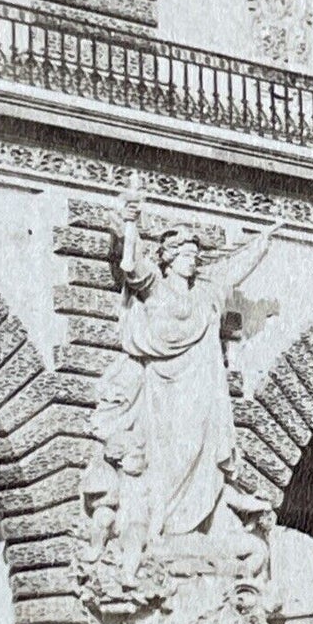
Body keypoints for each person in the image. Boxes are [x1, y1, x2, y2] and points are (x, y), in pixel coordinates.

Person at [85, 193, 283, 584]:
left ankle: (192, 528)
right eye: (185, 253)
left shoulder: (206, 293)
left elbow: (233, 270)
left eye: (195, 253)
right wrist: (128, 222)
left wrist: (265, 239)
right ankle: (161, 528)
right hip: (162, 392)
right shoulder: (156, 288)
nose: (193, 259)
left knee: (201, 456)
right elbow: (129, 264)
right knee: (165, 456)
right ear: (170, 257)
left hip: (202, 391)